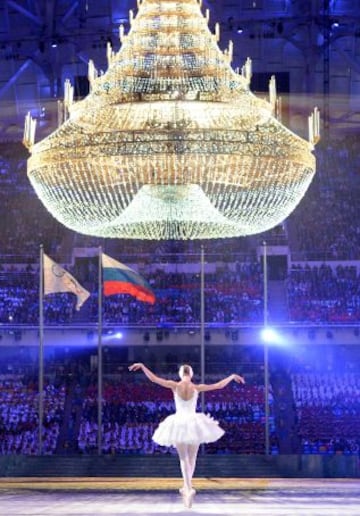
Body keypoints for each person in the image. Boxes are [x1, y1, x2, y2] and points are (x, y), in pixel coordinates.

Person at [128, 362, 245, 508]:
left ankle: (187, 488)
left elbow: (154, 379)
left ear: (180, 374)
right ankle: (188, 488)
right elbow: (218, 385)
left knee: (183, 458)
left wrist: (143, 366)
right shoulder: (196, 387)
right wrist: (232, 376)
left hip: (179, 422)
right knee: (192, 458)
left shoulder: (175, 386)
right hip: (194, 422)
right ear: (191, 374)